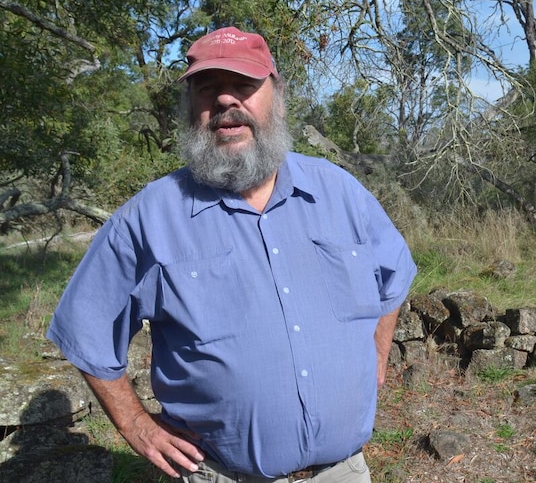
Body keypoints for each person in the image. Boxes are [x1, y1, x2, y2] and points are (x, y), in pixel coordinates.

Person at [47, 26, 417, 482]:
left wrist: (376, 358)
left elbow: (393, 276)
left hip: (344, 472)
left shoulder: (339, 192)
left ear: (276, 99)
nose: (226, 101)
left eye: (244, 85)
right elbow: (87, 330)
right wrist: (136, 425)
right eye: (208, 89)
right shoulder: (148, 217)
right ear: (191, 110)